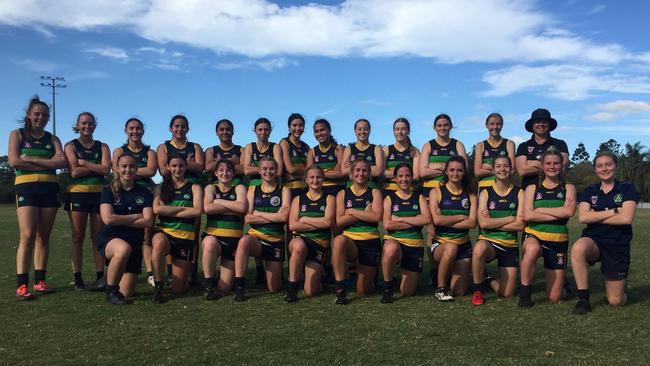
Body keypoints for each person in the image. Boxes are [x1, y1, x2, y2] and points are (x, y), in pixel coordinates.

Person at [9, 96, 66, 300]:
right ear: (29, 115)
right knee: (27, 236)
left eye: (45, 115)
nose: (41, 118)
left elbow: (61, 162)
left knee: (44, 236)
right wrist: (47, 162)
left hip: (49, 189)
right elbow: (14, 161)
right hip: (27, 189)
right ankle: (22, 286)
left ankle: (40, 281)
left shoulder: (53, 139)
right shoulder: (17, 134)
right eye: (37, 114)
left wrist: (31, 159)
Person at [570, 151, 639, 314]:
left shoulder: (626, 188)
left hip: (617, 244)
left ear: (616, 166)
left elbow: (626, 219)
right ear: (595, 169)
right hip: (593, 240)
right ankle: (583, 299)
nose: (604, 168)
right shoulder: (590, 190)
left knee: (615, 301)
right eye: (600, 166)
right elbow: (583, 217)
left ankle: (622, 290)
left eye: (608, 164)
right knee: (578, 248)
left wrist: (595, 215)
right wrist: (615, 210)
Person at [519, 150, 576, 308]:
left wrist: (540, 210)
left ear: (562, 165)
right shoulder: (532, 188)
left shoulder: (568, 188)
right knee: (531, 250)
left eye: (556, 163)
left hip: (558, 240)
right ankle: (525, 294)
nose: (552, 166)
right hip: (534, 235)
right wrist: (559, 213)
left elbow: (569, 212)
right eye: (548, 163)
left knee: (555, 297)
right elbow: (528, 216)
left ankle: (564, 285)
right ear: (542, 167)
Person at [419, 114, 469, 288]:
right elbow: (422, 172)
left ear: (450, 126)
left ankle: (451, 265)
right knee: (432, 233)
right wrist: (443, 168)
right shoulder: (428, 146)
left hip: (454, 192)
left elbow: (465, 168)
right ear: (434, 127)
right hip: (430, 195)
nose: (442, 128)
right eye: (439, 125)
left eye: (446, 125)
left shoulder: (458, 145)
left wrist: (436, 168)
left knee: (452, 230)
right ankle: (434, 271)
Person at [96, 154, 154, 305]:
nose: (128, 169)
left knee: (127, 293)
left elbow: (148, 221)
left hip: (134, 242)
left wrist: (119, 219)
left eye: (132, 166)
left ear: (136, 169)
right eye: (124, 166)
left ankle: (111, 277)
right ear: (117, 168)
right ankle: (111, 292)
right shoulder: (109, 190)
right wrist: (135, 216)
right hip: (111, 237)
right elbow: (108, 219)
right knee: (122, 249)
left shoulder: (144, 192)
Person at [64, 112, 111, 291]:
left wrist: (83, 162)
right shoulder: (70, 145)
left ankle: (100, 277)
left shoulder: (102, 146)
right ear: (77, 125)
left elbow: (106, 169)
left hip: (99, 195)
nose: (87, 126)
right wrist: (96, 167)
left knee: (97, 237)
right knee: (77, 236)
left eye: (90, 123)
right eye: (83, 123)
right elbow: (74, 172)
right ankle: (78, 279)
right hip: (77, 194)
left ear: (95, 126)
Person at [233, 157, 291, 301]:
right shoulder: (252, 190)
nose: (268, 171)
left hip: (275, 241)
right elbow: (247, 218)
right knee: (244, 241)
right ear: (259, 171)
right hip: (257, 238)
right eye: (264, 169)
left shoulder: (284, 190)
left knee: (273, 288)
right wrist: (274, 216)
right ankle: (239, 287)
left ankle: (273, 273)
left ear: (276, 171)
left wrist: (258, 213)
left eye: (271, 168)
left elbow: (283, 219)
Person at [471, 156, 525, 305]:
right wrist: (509, 219)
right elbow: (483, 224)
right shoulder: (485, 193)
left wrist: (492, 222)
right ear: (493, 170)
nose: (502, 169)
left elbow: (520, 226)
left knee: (507, 294)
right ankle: (477, 291)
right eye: (499, 166)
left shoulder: (519, 193)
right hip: (489, 242)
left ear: (511, 169)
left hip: (509, 245)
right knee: (479, 248)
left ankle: (490, 280)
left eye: (506, 166)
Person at [157, 115, 204, 284]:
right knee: (169, 231)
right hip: (171, 190)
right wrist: (187, 163)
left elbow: (201, 167)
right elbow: (163, 171)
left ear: (187, 129)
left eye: (183, 126)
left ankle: (192, 271)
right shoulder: (163, 147)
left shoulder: (195, 146)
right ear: (170, 128)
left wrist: (183, 164)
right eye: (176, 126)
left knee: (193, 232)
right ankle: (171, 272)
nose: (179, 129)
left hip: (191, 191)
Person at [150, 154, 203, 303]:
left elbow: (197, 211)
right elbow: (156, 209)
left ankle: (179, 279)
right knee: (158, 243)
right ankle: (158, 287)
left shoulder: (194, 187)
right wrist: (183, 210)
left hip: (184, 238)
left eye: (181, 165)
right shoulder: (160, 187)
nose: (177, 169)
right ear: (168, 167)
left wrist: (168, 208)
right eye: (174, 166)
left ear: (185, 167)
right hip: (165, 233)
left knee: (178, 289)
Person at [112, 118, 158, 285]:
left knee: (147, 235)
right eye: (131, 128)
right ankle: (119, 269)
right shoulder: (119, 150)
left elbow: (152, 170)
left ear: (143, 131)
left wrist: (128, 171)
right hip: (124, 194)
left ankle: (150, 272)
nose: (135, 131)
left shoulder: (149, 152)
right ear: (126, 130)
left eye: (138, 128)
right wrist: (135, 172)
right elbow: (115, 171)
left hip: (144, 195)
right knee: (121, 232)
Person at [332, 159, 383, 305]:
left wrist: (351, 211)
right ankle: (340, 290)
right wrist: (364, 213)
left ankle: (371, 275)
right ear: (352, 173)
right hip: (351, 242)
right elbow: (340, 221)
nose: (361, 173)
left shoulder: (375, 192)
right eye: (357, 170)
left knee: (363, 290)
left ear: (369, 174)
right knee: (338, 240)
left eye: (364, 170)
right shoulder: (342, 194)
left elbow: (377, 217)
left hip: (370, 241)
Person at [380, 163, 431, 303]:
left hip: (415, 244)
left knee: (407, 292)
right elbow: (387, 224)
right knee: (390, 248)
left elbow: (426, 219)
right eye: (400, 176)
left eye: (407, 175)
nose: (404, 179)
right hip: (394, 240)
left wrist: (401, 218)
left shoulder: (419, 197)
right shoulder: (389, 198)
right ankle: (387, 287)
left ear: (412, 177)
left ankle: (398, 277)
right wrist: (415, 220)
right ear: (395, 179)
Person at [429, 156, 477, 301]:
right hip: (441, 245)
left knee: (460, 291)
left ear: (464, 173)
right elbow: (437, 220)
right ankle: (441, 288)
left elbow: (472, 223)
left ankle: (449, 271)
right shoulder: (436, 192)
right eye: (452, 170)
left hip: (464, 245)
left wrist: (447, 220)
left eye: (459, 170)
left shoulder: (471, 195)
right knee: (450, 248)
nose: (455, 173)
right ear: (446, 172)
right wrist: (461, 217)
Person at [242, 118, 283, 284]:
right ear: (255, 130)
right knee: (255, 228)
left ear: (270, 130)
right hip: (255, 189)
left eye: (266, 129)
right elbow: (245, 169)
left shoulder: (276, 147)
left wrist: (259, 169)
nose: (263, 132)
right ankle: (259, 270)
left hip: (273, 189)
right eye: (260, 129)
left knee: (275, 225)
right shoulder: (249, 147)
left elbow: (278, 171)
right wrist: (266, 169)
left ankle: (276, 263)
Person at [285, 166, 335, 302]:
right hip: (301, 240)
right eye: (312, 177)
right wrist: (318, 222)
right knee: (299, 246)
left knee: (311, 292)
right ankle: (292, 287)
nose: (315, 180)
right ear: (306, 179)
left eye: (318, 177)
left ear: (323, 179)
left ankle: (319, 277)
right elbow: (293, 225)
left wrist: (305, 219)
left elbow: (328, 223)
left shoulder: (329, 198)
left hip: (319, 245)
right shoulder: (298, 199)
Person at [201, 159, 247, 300]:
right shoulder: (210, 188)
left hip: (233, 242)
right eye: (221, 170)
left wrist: (219, 201)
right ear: (215, 173)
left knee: (225, 288)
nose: (224, 173)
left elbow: (242, 207)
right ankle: (209, 286)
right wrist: (233, 205)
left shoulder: (239, 188)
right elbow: (208, 208)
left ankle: (218, 279)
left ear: (233, 173)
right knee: (209, 243)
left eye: (228, 170)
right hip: (214, 238)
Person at [515, 108, 569, 189]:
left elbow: (562, 170)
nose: (541, 124)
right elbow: (522, 171)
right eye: (537, 122)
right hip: (528, 191)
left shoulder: (560, 144)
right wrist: (549, 168)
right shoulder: (523, 146)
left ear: (549, 124)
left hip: (556, 191)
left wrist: (533, 163)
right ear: (532, 125)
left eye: (544, 122)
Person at [473, 113, 515, 191]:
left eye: (498, 124)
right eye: (492, 124)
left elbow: (512, 170)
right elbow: (477, 172)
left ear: (502, 125)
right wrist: (501, 170)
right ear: (486, 125)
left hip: (504, 187)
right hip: (485, 187)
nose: (495, 127)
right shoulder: (480, 145)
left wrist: (488, 167)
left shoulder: (509, 144)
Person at [306, 119, 345, 197]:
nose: (319, 134)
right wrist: (331, 173)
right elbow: (309, 174)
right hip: (319, 190)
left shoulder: (338, 149)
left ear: (329, 130)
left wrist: (319, 174)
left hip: (337, 189)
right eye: (316, 131)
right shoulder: (312, 151)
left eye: (322, 130)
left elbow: (341, 173)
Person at [341, 119, 385, 189]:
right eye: (359, 129)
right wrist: (371, 168)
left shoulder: (376, 149)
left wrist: (352, 167)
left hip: (371, 188)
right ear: (355, 131)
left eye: (365, 129)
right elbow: (343, 171)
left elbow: (378, 171)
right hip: (351, 189)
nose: (362, 132)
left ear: (369, 131)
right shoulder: (349, 149)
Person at [383, 117, 420, 193]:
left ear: (408, 131)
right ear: (393, 131)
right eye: (397, 129)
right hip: (388, 191)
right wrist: (405, 175)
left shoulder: (415, 151)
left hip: (408, 193)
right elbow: (382, 173)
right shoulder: (386, 150)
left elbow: (416, 176)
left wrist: (392, 174)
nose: (400, 132)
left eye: (403, 129)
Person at [205, 119, 243, 186]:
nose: (225, 132)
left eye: (228, 129)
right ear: (217, 132)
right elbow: (208, 168)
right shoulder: (210, 150)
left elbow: (242, 169)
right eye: (221, 129)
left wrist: (217, 164)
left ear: (233, 132)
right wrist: (231, 161)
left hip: (237, 186)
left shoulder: (241, 150)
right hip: (216, 186)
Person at [280, 113, 310, 198]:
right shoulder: (284, 143)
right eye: (294, 125)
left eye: (300, 125)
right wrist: (305, 170)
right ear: (289, 127)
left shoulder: (306, 146)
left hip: (306, 188)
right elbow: (291, 169)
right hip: (290, 189)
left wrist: (296, 174)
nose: (298, 128)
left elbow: (311, 170)